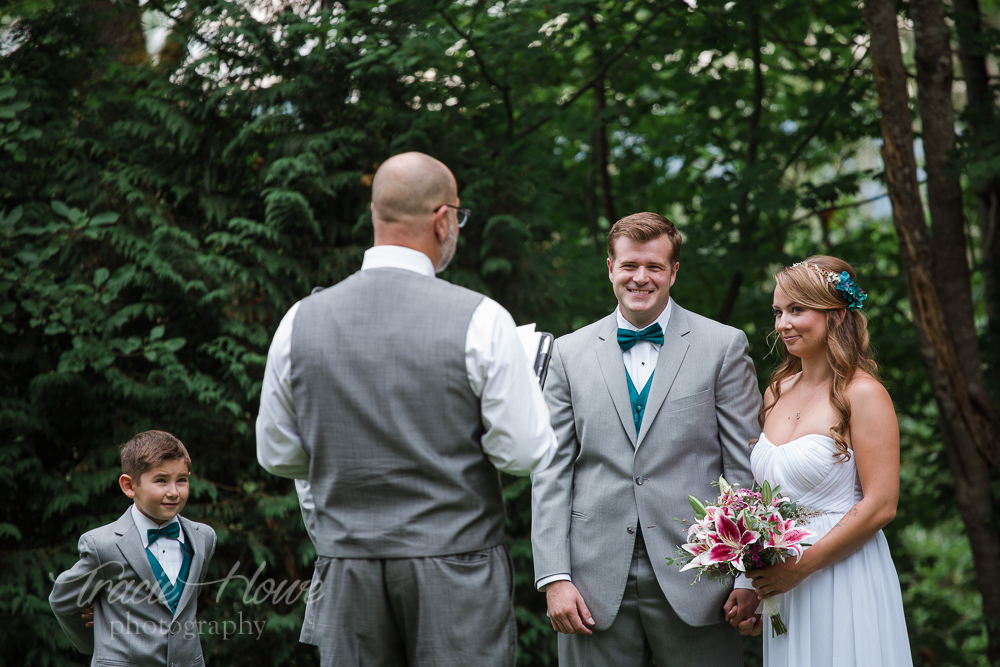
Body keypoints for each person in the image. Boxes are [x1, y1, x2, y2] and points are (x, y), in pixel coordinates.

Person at [255, 151, 557, 667]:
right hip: (456, 568)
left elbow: (277, 454)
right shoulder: (482, 319)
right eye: (457, 217)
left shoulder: (299, 320)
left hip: (348, 568)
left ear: (377, 214)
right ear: (443, 220)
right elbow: (522, 453)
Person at [530, 212, 762, 666]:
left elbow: (744, 470)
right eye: (630, 265)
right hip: (590, 583)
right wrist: (554, 576)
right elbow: (551, 470)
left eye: (655, 267)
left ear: (673, 271)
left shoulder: (723, 346)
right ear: (610, 268)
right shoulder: (568, 353)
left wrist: (747, 577)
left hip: (703, 578)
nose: (641, 277)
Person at [731, 256, 912, 665]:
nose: (782, 324)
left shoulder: (863, 394)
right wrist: (754, 581)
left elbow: (881, 505)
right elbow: (765, 503)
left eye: (797, 310)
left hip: (842, 573)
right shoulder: (777, 389)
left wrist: (802, 567)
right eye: (778, 311)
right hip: (783, 579)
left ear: (835, 316)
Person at [49, 430, 217, 666]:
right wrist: (97, 641)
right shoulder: (102, 545)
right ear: (129, 486)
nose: (173, 491)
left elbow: (185, 602)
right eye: (161, 480)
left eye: (181, 480)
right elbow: (63, 600)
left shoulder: (204, 538)